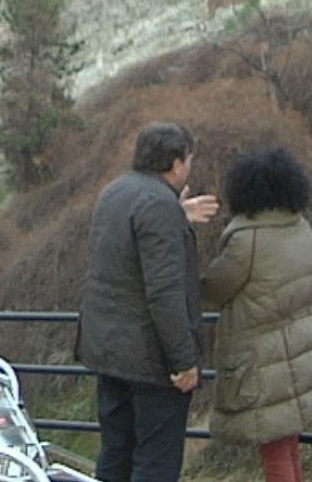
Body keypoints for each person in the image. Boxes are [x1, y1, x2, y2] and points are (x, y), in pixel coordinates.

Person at [76, 121, 219, 482]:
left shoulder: (114, 193)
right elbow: (164, 293)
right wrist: (184, 360)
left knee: (115, 453)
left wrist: (176, 216)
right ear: (174, 163)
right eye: (187, 159)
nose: (189, 166)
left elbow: (125, 257)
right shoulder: (159, 205)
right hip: (150, 362)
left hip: (108, 351)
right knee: (155, 462)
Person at [201, 146, 312, 482]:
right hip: (299, 347)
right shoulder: (301, 227)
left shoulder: (246, 239)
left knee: (274, 452)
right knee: (288, 446)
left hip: (261, 362)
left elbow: (214, 290)